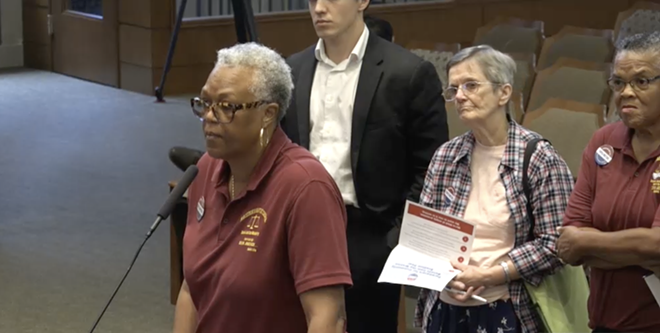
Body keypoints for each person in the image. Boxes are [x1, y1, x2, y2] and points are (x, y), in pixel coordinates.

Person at [281, 0, 448, 331]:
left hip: (369, 232)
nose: (319, 8)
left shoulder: (408, 73)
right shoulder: (293, 70)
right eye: (312, 0)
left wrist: (393, 237)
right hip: (299, 227)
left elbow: (431, 169)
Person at [173, 42, 352, 333]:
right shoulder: (206, 168)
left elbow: (327, 318)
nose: (208, 116)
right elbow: (191, 289)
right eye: (205, 103)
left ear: (268, 114)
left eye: (227, 107)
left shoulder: (306, 187)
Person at [414, 45, 574, 333]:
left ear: (504, 93)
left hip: (508, 307)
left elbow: (557, 245)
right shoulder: (445, 156)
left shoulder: (539, 158)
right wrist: (445, 275)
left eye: (471, 85)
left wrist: (491, 274)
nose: (460, 96)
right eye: (454, 89)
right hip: (445, 306)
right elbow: (425, 238)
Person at [558, 31, 660, 333]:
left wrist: (588, 242)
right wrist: (641, 253)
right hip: (603, 322)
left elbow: (658, 243)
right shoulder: (604, 140)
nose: (626, 92)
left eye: (642, 81)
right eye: (618, 82)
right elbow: (568, 243)